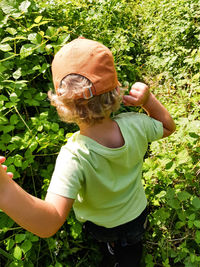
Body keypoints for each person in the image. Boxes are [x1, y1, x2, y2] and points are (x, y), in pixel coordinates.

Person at [0, 37, 176, 267]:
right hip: (137, 213)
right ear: (116, 91)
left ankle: (112, 254)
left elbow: (48, 222)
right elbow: (167, 127)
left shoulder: (74, 156)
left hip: (101, 226)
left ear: (60, 105)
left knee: (110, 250)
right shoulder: (137, 124)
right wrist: (148, 100)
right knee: (133, 248)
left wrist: (4, 190)